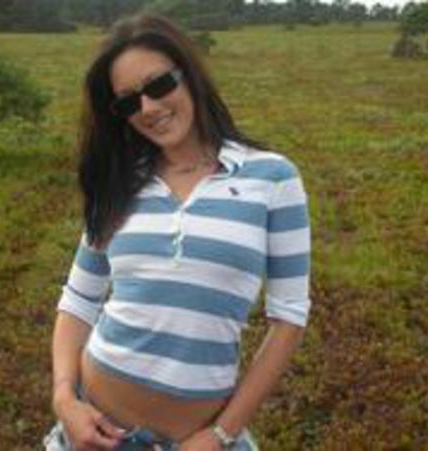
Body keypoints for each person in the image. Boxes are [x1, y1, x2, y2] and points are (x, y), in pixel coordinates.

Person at [44, 13, 311, 451]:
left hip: (201, 441)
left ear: (190, 75)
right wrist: (63, 399)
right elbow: (78, 299)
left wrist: (221, 434)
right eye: (128, 103)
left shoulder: (273, 179)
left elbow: (289, 318)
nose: (148, 109)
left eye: (159, 85)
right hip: (95, 431)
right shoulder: (120, 182)